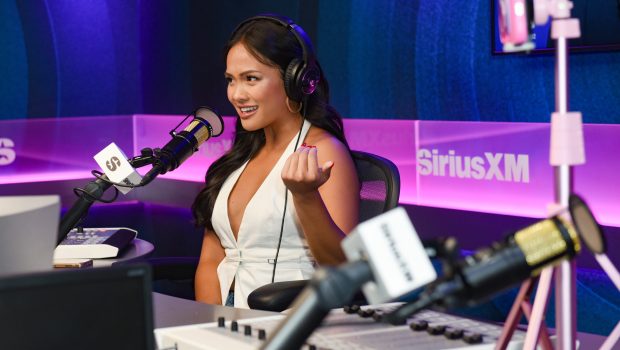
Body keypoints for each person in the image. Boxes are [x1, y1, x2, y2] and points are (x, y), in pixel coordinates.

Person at [191, 14, 360, 309]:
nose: (237, 94)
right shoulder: (238, 159)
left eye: (251, 79)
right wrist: (212, 328)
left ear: (296, 81)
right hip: (226, 326)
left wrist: (305, 197)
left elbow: (340, 267)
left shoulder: (325, 152)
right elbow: (210, 260)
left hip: (292, 320)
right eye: (231, 80)